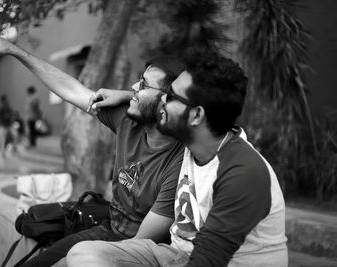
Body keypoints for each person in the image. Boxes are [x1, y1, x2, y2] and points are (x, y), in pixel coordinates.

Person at [0, 26, 185, 266]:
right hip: (107, 228)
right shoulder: (128, 120)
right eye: (139, 81)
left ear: (166, 102)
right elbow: (70, 89)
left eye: (144, 85)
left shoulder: (179, 161)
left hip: (136, 249)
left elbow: (139, 243)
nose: (135, 88)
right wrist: (14, 50)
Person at [67, 50, 288, 267]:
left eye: (170, 96)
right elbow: (147, 104)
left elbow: (207, 260)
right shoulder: (194, 142)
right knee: (82, 255)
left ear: (197, 115)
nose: (161, 99)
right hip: (173, 255)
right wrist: (131, 95)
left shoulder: (243, 174)